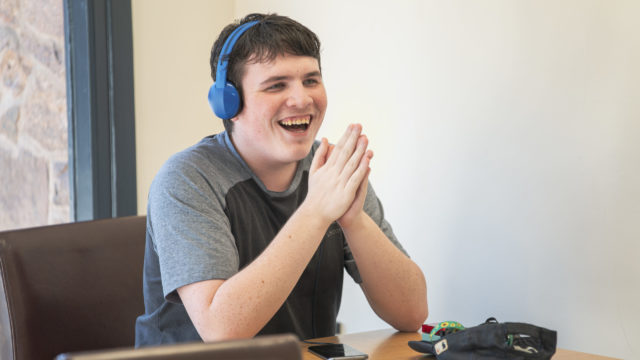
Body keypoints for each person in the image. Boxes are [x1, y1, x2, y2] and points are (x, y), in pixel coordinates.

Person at [135, 13, 427, 346]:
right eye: (276, 85)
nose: (302, 99)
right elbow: (222, 331)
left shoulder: (329, 171)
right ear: (228, 101)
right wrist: (316, 212)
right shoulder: (187, 179)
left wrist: (354, 220)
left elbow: (412, 313)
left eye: (311, 80)